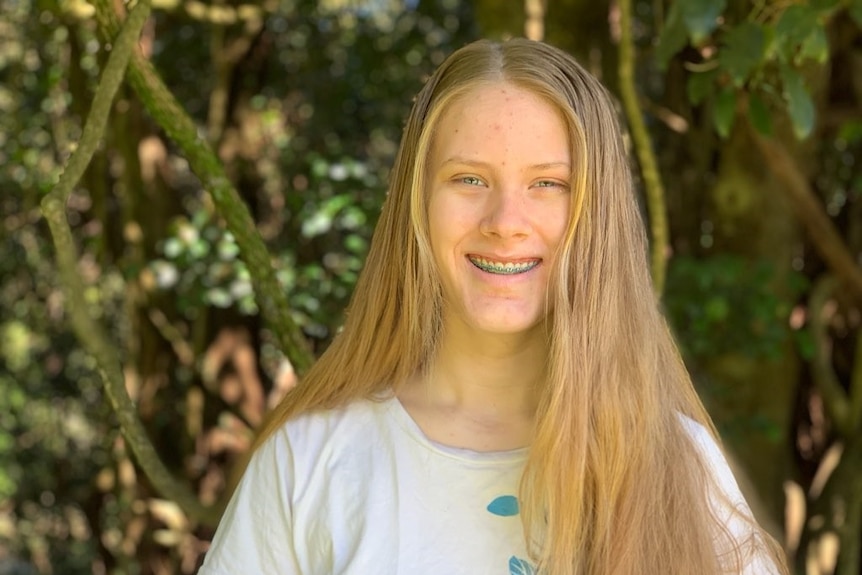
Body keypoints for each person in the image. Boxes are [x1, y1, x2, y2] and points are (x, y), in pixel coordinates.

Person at [197, 38, 788, 574]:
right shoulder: (310, 461)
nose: (506, 223)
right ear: (417, 204)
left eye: (549, 184)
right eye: (469, 180)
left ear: (597, 218)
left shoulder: (676, 462)